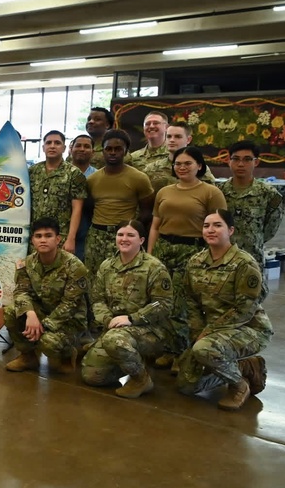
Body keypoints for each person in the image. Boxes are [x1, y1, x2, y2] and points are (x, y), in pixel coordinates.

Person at [176, 210, 271, 411]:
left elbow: (245, 309)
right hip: (211, 332)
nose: (210, 230)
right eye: (206, 226)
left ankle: (239, 385)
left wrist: (207, 334)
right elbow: (191, 302)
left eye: (217, 225)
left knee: (204, 349)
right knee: (187, 385)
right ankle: (241, 367)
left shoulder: (244, 264)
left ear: (231, 230)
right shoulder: (195, 262)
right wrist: (197, 332)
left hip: (248, 329)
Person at [148, 146, 227, 369]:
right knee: (162, 301)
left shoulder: (211, 192)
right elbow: (155, 225)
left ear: (199, 166)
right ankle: (168, 349)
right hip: (164, 247)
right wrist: (150, 255)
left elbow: (219, 227)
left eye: (187, 163)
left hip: (192, 250)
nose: (182, 167)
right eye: (178, 164)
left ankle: (182, 353)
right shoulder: (164, 191)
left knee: (182, 305)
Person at [81, 220, 172, 398]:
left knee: (114, 341)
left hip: (151, 330)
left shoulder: (154, 268)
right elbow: (97, 299)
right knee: (92, 376)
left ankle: (141, 379)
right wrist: (108, 320)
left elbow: (164, 304)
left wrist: (132, 318)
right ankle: (133, 360)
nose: (124, 239)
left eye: (131, 235)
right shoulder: (107, 266)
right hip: (115, 329)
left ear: (142, 240)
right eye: (120, 234)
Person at [3, 218, 89, 374]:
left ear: (58, 239)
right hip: (42, 312)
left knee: (48, 343)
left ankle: (68, 354)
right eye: (38, 236)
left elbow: (70, 304)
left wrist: (44, 325)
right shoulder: (25, 264)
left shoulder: (75, 266)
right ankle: (28, 357)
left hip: (69, 320)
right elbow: (21, 292)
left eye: (48, 235)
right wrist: (30, 314)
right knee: (10, 311)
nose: (43, 240)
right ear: (33, 240)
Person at [84, 130, 154, 279]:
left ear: (126, 151)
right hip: (96, 236)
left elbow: (147, 212)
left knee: (123, 280)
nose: (113, 152)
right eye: (108, 149)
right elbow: (89, 209)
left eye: (118, 149)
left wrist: (130, 232)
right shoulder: (92, 179)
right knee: (94, 278)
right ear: (102, 151)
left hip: (124, 237)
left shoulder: (139, 178)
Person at [219, 141, 283, 290]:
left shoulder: (269, 194)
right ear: (229, 161)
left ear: (256, 162)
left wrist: (253, 239)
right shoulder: (218, 192)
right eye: (236, 159)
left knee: (251, 301)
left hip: (253, 257)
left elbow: (271, 228)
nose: (241, 164)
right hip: (223, 257)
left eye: (247, 159)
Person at [28, 130, 87, 254]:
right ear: (43, 147)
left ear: (64, 148)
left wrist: (71, 238)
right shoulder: (32, 171)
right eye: (48, 143)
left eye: (57, 143)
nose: (52, 146)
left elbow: (77, 208)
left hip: (60, 236)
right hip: (35, 236)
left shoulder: (74, 174)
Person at [130, 111, 173, 192]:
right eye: (147, 124)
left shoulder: (174, 154)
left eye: (156, 123)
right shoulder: (133, 157)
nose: (151, 126)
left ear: (166, 127)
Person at [69, 134, 96, 261]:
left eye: (86, 146)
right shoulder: (60, 173)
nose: (82, 149)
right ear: (71, 148)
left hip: (88, 230)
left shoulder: (97, 176)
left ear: (93, 152)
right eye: (78, 145)